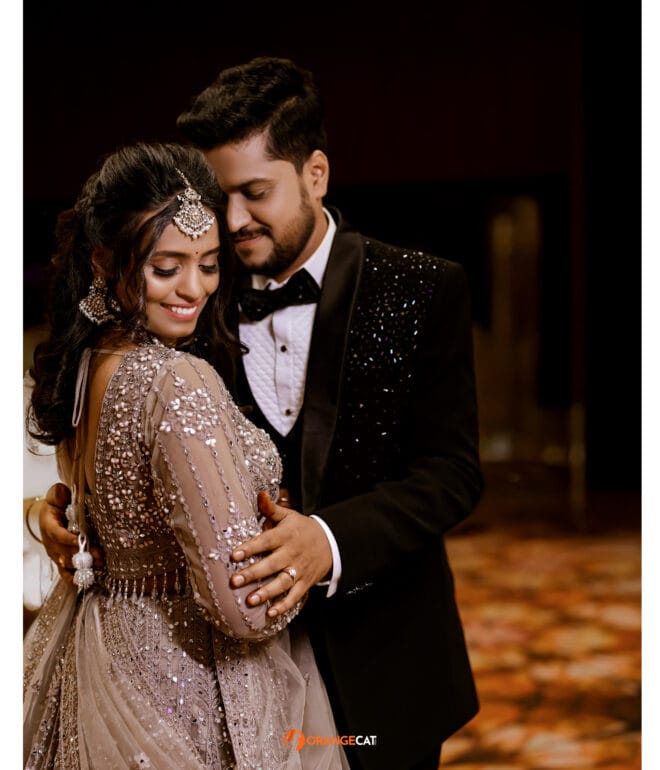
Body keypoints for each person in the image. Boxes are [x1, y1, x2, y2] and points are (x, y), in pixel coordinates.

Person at [38, 57, 484, 769]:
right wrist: (69, 512)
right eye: (220, 199)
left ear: (315, 174)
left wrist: (327, 542)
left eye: (255, 193)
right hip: (228, 679)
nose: (235, 220)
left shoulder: (424, 287)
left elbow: (452, 473)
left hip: (382, 661)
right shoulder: (190, 301)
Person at [23, 141, 347, 770]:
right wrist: (297, 565)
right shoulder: (175, 382)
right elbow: (241, 611)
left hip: (99, 658)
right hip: (189, 688)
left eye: (207, 263)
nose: (194, 289)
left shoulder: (87, 366)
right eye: (166, 268)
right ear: (104, 261)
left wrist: (44, 515)